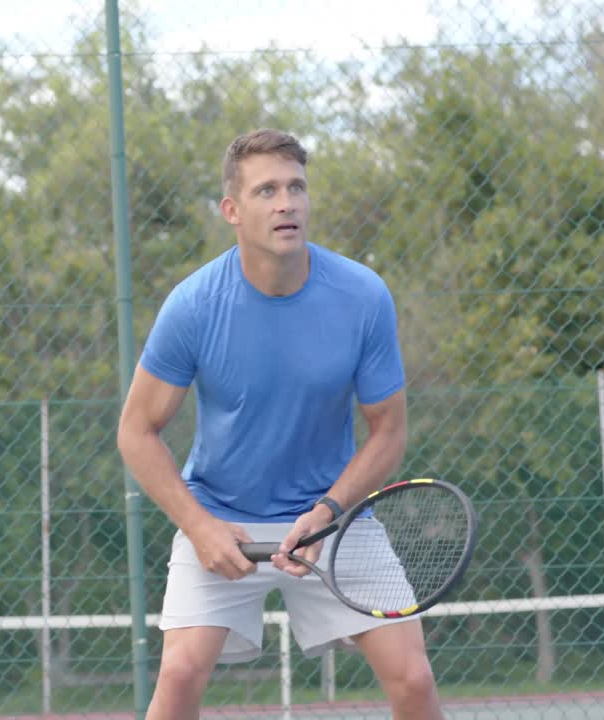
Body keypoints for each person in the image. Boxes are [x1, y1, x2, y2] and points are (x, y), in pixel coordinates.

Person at [116, 128, 443, 719]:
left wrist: (325, 514)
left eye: (296, 187)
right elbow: (136, 432)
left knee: (413, 680)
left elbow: (388, 431)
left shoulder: (363, 296)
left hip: (331, 519)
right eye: (267, 190)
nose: (286, 202)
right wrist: (201, 527)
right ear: (233, 211)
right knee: (181, 674)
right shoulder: (193, 307)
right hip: (220, 515)